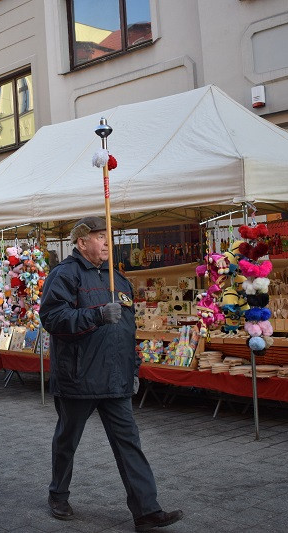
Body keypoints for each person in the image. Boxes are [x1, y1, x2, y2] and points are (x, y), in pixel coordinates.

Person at [40, 217, 182, 531]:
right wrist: (97, 314)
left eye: (108, 236)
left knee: (129, 443)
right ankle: (58, 495)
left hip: (115, 379)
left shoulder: (118, 278)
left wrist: (132, 369)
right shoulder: (64, 275)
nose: (107, 242)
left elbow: (126, 331)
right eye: (100, 236)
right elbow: (53, 317)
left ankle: (146, 510)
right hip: (79, 377)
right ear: (81, 243)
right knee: (67, 440)